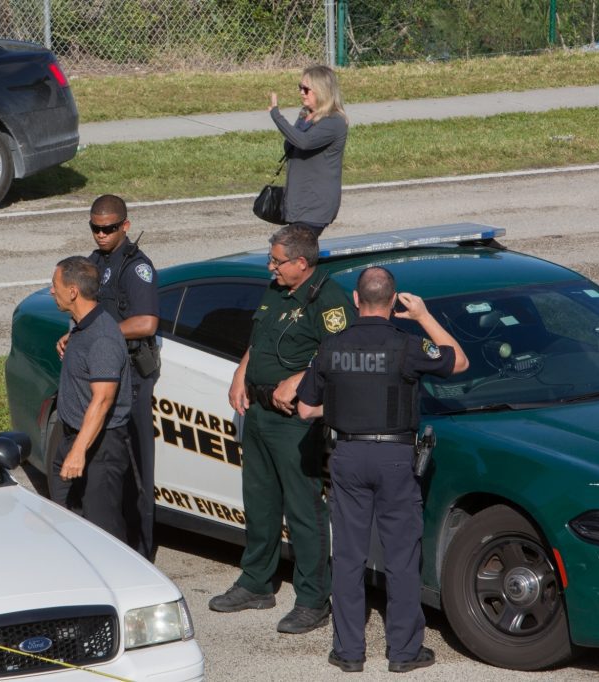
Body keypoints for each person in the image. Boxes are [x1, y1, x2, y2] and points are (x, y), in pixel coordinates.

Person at [297, 266, 469, 673]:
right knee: (402, 558)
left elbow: (305, 408)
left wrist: (346, 407)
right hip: (394, 458)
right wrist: (424, 316)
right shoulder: (407, 345)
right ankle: (405, 653)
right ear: (393, 303)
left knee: (350, 557)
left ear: (356, 301)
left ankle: (349, 652)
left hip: (349, 456)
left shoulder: (331, 347)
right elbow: (458, 362)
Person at [209, 225, 354, 636]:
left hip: (295, 421)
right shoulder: (277, 290)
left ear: (302, 263)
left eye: (276, 261)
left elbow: (342, 353)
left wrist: (302, 378)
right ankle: (256, 582)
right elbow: (261, 337)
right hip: (258, 410)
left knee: (304, 510)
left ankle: (312, 599)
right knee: (260, 500)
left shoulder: (328, 300)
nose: (270, 266)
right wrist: (241, 372)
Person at [58, 194, 159, 559]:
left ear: (125, 226)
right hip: (99, 374)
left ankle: (140, 553)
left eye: (109, 228)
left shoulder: (136, 268)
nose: (101, 234)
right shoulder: (93, 262)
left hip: (130, 378)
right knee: (99, 478)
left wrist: (102, 332)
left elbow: (147, 322)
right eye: (95, 228)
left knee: (134, 473)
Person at [49, 255, 132, 542]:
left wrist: (79, 451)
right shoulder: (82, 325)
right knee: (64, 520)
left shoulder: (102, 338)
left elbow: (103, 400)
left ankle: (121, 583)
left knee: (103, 531)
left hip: (100, 448)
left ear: (73, 291)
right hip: (74, 438)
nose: (51, 291)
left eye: (55, 284)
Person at [267, 64, 348, 237]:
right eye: (300, 87)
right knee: (295, 253)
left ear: (321, 90)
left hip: (315, 205)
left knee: (291, 252)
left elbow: (304, 142)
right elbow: (291, 145)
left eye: (306, 89)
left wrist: (276, 116)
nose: (301, 92)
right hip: (298, 201)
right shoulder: (305, 115)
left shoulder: (334, 122)